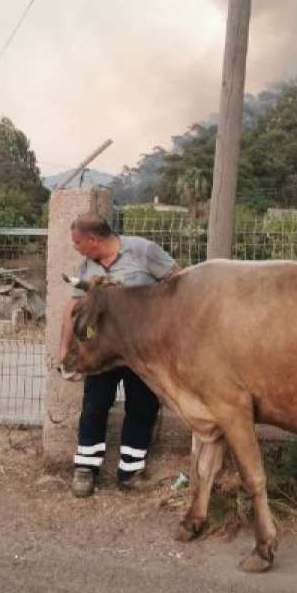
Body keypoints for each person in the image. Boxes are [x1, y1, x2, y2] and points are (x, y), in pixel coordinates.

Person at [61, 213, 180, 498]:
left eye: (78, 242)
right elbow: (73, 308)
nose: (76, 247)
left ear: (93, 239)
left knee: (142, 406)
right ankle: (86, 468)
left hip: (142, 349)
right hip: (101, 349)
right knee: (94, 404)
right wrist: (65, 351)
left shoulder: (142, 251)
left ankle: (131, 471)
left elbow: (178, 284)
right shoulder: (87, 266)